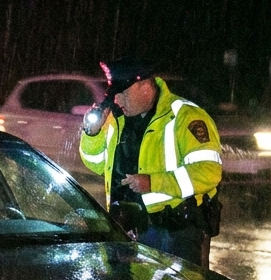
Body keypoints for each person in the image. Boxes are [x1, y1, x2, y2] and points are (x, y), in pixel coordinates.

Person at [78, 57, 223, 267]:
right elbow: (96, 163)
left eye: (123, 93)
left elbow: (208, 172)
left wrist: (153, 182)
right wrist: (92, 134)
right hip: (125, 230)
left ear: (145, 86)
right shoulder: (115, 119)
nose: (117, 100)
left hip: (174, 234)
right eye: (114, 94)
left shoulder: (186, 117)